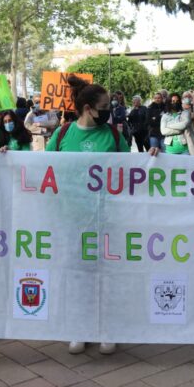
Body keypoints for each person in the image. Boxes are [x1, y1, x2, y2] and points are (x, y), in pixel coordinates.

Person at [46, 75, 131, 355]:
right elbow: (41, 169)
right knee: (77, 275)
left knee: (106, 275)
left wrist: (153, 158)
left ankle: (108, 328)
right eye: (105, 105)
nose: (111, 109)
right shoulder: (61, 135)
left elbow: (131, 172)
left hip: (107, 219)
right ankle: (79, 328)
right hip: (71, 220)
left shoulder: (115, 136)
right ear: (87, 109)